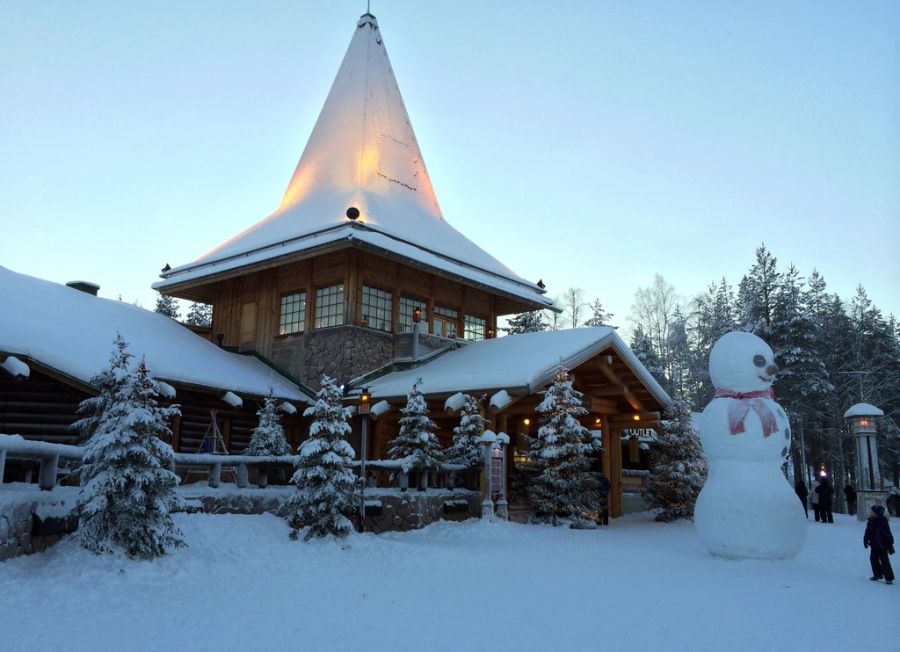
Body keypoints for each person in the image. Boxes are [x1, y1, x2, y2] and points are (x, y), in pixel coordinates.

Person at [864, 505, 895, 584]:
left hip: (882, 545)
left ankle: (889, 578)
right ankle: (878, 574)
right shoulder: (871, 520)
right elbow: (867, 532)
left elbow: (888, 533)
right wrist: (865, 540)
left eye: (873, 512)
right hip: (874, 544)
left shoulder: (883, 521)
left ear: (878, 513)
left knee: (884, 561)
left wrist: (890, 545)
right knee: (873, 559)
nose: (871, 513)